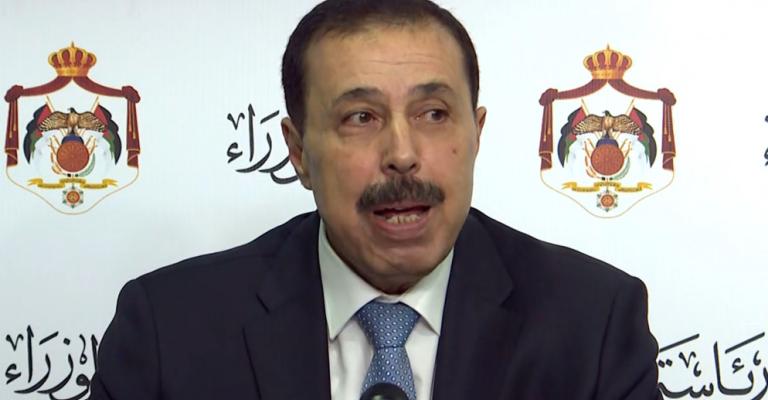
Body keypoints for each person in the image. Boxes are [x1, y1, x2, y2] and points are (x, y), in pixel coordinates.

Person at [88, 0, 661, 399]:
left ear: (477, 134)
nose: (403, 154)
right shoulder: (169, 330)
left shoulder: (592, 325)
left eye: (433, 113)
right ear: (298, 151)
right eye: (361, 117)